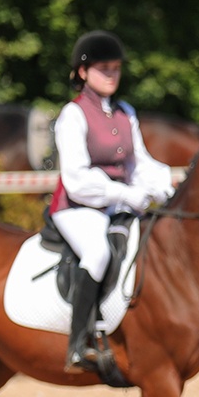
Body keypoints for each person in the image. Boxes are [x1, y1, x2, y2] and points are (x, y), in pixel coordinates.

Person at [48, 31, 174, 375]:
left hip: (117, 206)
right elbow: (76, 178)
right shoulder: (72, 116)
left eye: (116, 68)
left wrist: (162, 183)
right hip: (77, 207)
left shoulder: (124, 112)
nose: (112, 75)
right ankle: (79, 343)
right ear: (84, 72)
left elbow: (139, 162)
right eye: (104, 68)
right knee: (98, 253)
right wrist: (125, 194)